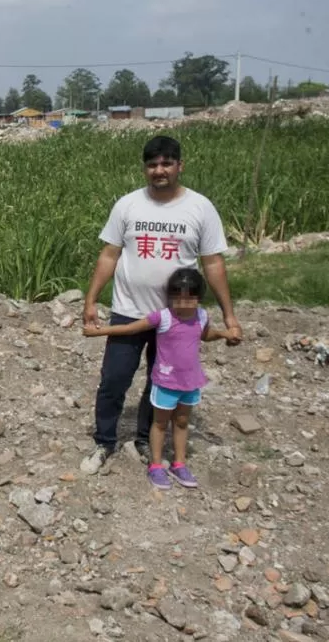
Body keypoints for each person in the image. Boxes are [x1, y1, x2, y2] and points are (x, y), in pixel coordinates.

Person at [81, 135, 242, 475]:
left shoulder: (200, 207)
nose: (159, 170)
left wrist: (229, 315)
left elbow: (213, 263)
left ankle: (144, 439)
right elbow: (109, 254)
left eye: (167, 163)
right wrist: (91, 299)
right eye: (153, 164)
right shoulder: (127, 205)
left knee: (160, 383)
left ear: (180, 166)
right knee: (114, 379)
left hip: (175, 319)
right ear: (145, 168)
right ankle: (104, 442)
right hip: (128, 309)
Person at [84, 268, 236, 489]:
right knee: (160, 422)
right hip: (166, 382)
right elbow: (129, 329)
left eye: (190, 298)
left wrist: (223, 334)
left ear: (199, 298)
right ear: (170, 296)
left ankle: (179, 463)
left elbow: (205, 334)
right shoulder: (163, 317)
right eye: (178, 297)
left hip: (190, 382)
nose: (184, 303)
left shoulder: (201, 316)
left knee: (182, 422)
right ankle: (156, 465)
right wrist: (98, 331)